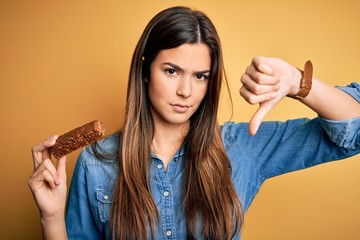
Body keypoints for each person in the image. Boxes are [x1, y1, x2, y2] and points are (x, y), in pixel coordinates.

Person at [29, 6, 360, 240]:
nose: (186, 91)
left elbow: (352, 132)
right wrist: (52, 217)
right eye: (171, 71)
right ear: (145, 70)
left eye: (200, 76)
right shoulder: (97, 162)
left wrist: (297, 83)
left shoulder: (242, 147)